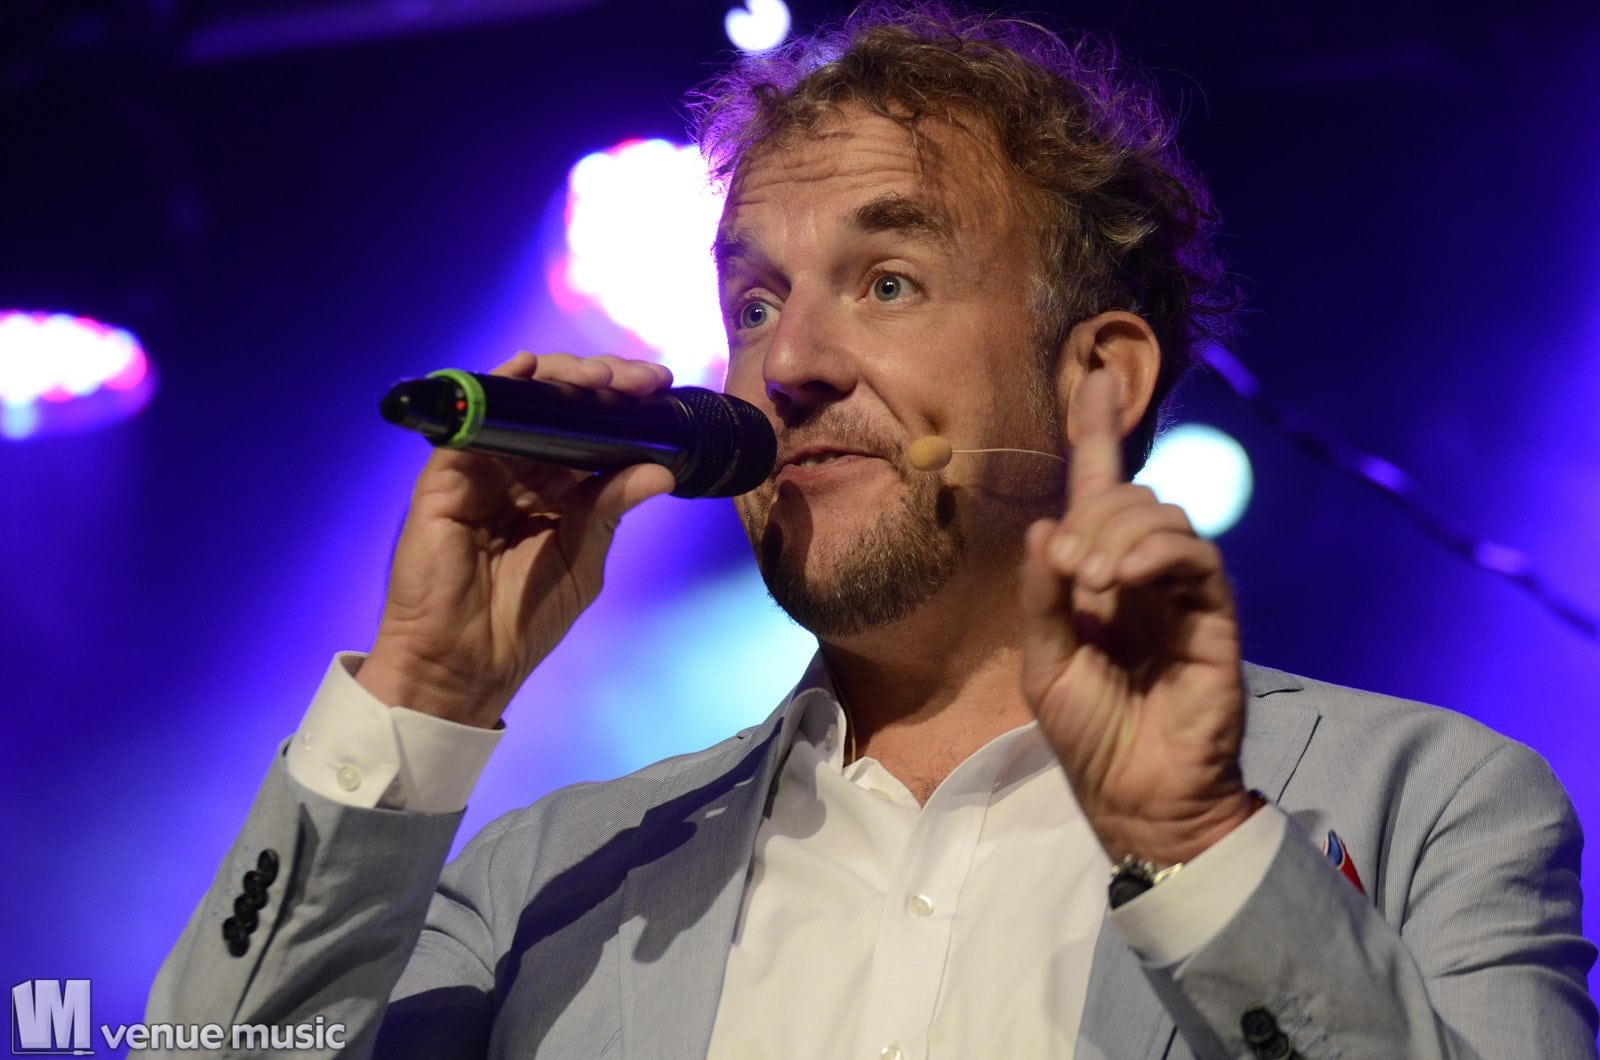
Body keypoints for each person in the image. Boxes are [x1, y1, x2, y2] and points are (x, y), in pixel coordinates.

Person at [147, 4, 1597, 1057]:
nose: (785, 364)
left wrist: (1198, 846)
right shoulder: (549, 875)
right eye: (755, 302)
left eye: (888, 281)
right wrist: (425, 690)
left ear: (1099, 378)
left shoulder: (1425, 806)